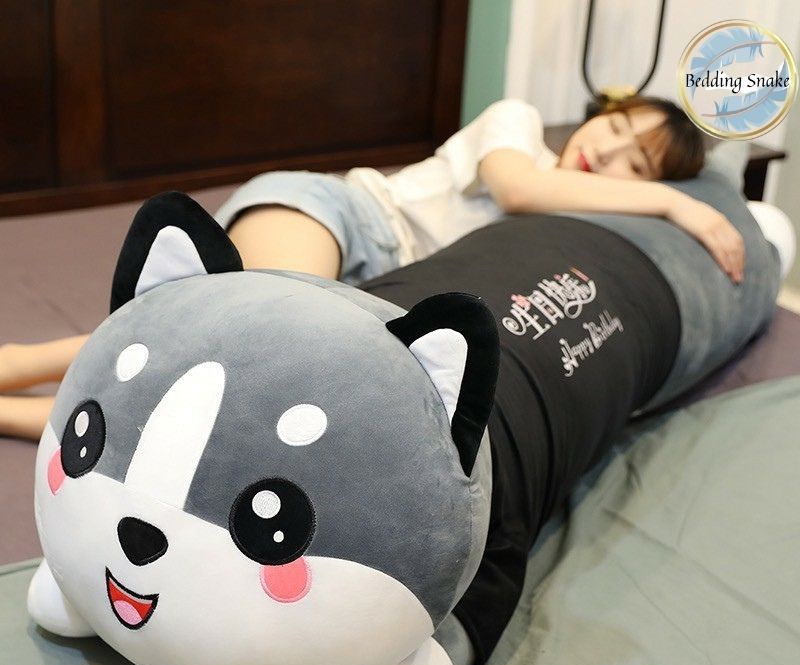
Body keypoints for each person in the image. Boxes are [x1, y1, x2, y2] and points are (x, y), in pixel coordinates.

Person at [0, 95, 740, 441]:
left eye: (634, 162)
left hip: (364, 297)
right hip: (344, 214)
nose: (605, 152)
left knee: (240, 371)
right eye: (616, 127)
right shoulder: (517, 125)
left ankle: (21, 408)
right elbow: (517, 188)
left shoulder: (582, 220)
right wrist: (676, 204)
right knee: (228, 330)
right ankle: (25, 368)